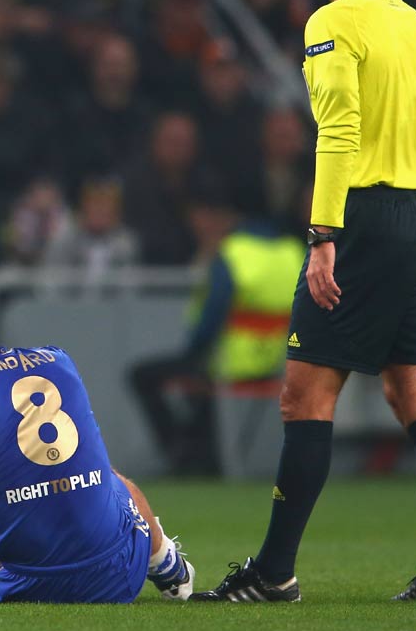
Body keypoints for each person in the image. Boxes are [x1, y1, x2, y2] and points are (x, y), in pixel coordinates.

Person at [193, 0, 416, 603]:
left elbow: (337, 132)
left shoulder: (331, 24)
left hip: (365, 220)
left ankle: (274, 574)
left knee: (303, 397)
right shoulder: (414, 24)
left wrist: (324, 236)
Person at [0, 282, 195, 605]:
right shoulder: (57, 359)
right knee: (112, 479)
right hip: (119, 577)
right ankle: (168, 567)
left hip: (30, 588)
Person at [129, 204, 304, 477]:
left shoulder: (233, 253)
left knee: (142, 375)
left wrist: (194, 350)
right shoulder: (293, 253)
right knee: (196, 387)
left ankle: (182, 453)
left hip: (228, 362)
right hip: (275, 364)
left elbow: (211, 318)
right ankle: (194, 454)